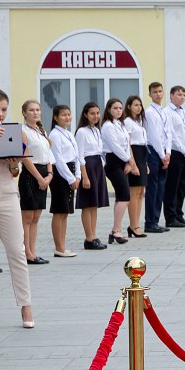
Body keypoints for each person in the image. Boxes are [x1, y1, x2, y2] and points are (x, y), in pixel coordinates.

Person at [0, 88, 34, 331]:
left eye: (3, 109)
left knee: (17, 250)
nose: (0, 113)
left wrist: (15, 165)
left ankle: (26, 304)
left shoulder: (13, 131)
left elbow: (16, 170)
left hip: (8, 197)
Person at [19, 100, 54, 265]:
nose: (35, 113)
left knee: (36, 216)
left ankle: (33, 251)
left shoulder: (41, 131)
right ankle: (26, 253)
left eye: (37, 110)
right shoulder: (23, 131)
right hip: (30, 175)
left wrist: (49, 175)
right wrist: (39, 178)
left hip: (43, 173)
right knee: (27, 216)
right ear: (24, 113)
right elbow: (24, 157)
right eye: (31, 110)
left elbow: (48, 155)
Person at [100, 98, 136, 245]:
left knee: (121, 196)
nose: (118, 111)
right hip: (113, 162)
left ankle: (115, 230)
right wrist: (129, 159)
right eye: (115, 108)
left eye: (120, 108)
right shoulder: (108, 126)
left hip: (123, 161)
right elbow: (115, 146)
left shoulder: (121, 124)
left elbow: (126, 143)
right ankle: (116, 231)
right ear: (109, 110)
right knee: (125, 196)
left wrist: (129, 161)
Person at [75, 102, 109, 250]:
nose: (95, 116)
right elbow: (79, 154)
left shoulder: (96, 130)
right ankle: (88, 237)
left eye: (97, 113)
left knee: (94, 204)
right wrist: (85, 176)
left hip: (97, 165)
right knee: (87, 204)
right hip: (87, 166)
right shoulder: (82, 132)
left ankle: (93, 236)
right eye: (92, 113)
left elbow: (100, 151)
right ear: (85, 115)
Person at [49, 105, 80, 257]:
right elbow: (59, 159)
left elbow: (76, 155)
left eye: (69, 114)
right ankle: (58, 247)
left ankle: (63, 245)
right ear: (55, 117)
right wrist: (71, 178)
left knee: (65, 212)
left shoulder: (68, 133)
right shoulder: (55, 134)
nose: (67, 117)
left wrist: (78, 176)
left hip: (71, 172)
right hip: (61, 175)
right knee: (59, 210)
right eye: (63, 115)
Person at [164, 86, 185, 228]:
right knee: (173, 185)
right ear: (171, 96)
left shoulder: (184, 112)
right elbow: (172, 135)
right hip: (176, 152)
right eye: (179, 94)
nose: (182, 97)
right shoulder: (167, 112)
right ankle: (170, 217)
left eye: (184, 94)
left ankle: (179, 214)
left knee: (182, 186)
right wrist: (184, 151)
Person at [143, 82, 172, 234]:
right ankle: (150, 222)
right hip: (154, 152)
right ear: (150, 94)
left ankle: (156, 219)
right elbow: (153, 136)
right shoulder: (149, 112)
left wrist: (168, 153)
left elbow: (168, 133)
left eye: (160, 91)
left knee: (161, 187)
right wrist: (162, 155)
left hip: (163, 153)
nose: (158, 94)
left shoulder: (164, 111)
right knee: (153, 188)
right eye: (155, 92)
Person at [123, 96, 148, 238]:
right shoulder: (127, 122)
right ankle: (133, 225)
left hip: (142, 155)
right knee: (134, 192)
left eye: (140, 105)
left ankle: (136, 223)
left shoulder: (138, 122)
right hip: (135, 155)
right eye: (135, 105)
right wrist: (132, 163)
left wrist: (146, 164)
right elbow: (128, 144)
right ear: (129, 106)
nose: (139, 108)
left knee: (140, 192)